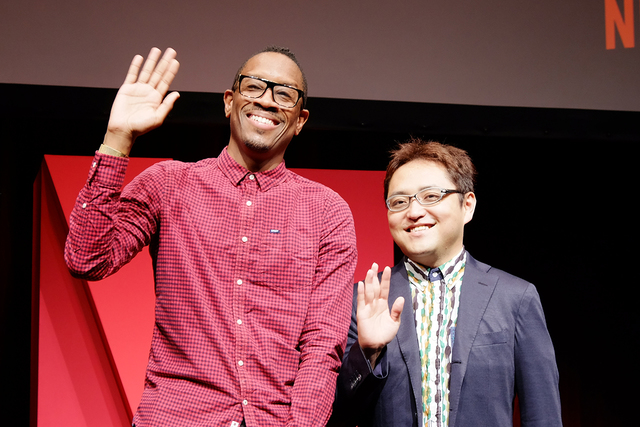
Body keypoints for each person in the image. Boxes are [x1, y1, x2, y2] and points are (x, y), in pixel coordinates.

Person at [64, 46, 357, 427]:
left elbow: (322, 345)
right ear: (229, 101)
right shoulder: (169, 184)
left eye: (284, 94)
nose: (267, 100)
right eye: (254, 86)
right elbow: (87, 259)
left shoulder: (327, 211)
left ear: (300, 120)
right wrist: (117, 138)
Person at [329, 139, 561, 427]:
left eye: (431, 196)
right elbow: (338, 414)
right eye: (399, 202)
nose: (414, 212)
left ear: (467, 205)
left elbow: (543, 415)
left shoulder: (515, 297)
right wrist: (368, 353)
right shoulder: (363, 301)